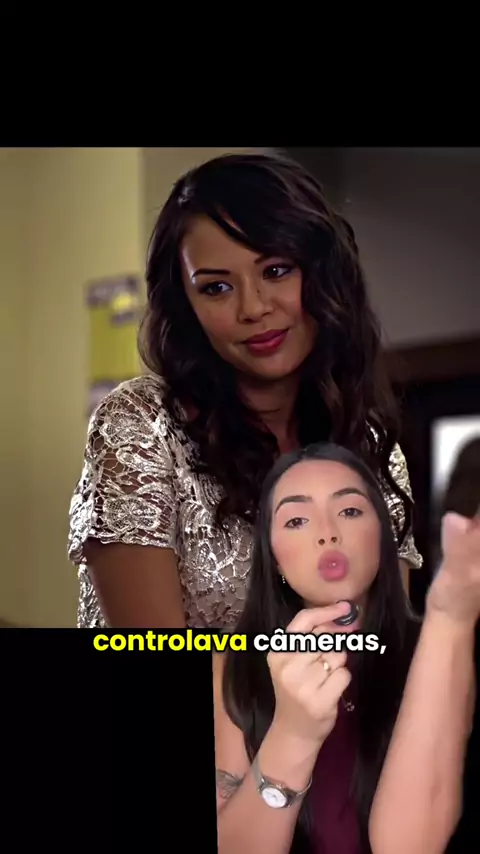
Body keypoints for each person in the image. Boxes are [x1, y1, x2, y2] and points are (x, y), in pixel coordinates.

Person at [67, 151, 422, 629]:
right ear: (186, 305)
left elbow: (384, 650)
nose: (253, 308)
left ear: (324, 274)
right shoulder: (142, 425)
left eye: (275, 271)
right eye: (216, 288)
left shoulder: (370, 443)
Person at [214, 442, 478, 854]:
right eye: (297, 520)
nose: (327, 532)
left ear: (383, 537)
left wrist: (449, 616)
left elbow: (409, 846)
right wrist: (294, 732)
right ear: (274, 560)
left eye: (350, 511)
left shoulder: (439, 649)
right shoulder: (230, 667)